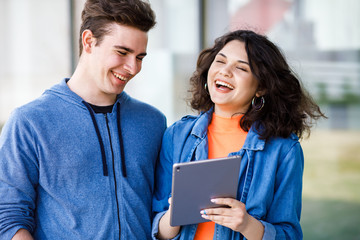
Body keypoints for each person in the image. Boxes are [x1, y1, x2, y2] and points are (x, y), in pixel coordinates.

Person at [0, 0, 166, 239]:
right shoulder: (30, 122)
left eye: (140, 57)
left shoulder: (153, 122)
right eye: (122, 52)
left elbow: (161, 213)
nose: (132, 67)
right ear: (89, 41)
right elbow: (9, 218)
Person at [152, 30, 325, 240]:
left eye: (241, 68)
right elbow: (156, 228)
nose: (225, 71)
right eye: (220, 61)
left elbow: (289, 235)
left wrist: (246, 224)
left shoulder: (283, 149)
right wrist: (173, 215)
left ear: (261, 87)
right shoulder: (177, 135)